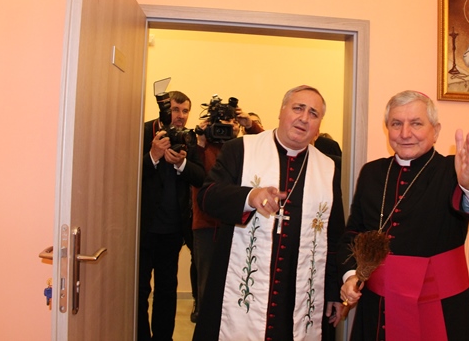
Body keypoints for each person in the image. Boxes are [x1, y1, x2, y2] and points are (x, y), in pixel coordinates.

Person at [338, 90, 469, 341]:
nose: (405, 133)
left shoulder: (453, 171)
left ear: (435, 131)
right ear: (387, 129)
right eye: (396, 124)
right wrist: (350, 275)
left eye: (416, 123)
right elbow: (354, 233)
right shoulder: (372, 172)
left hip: (439, 306)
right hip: (378, 307)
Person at [193, 85, 345, 341]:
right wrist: (249, 197)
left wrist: (333, 290)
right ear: (281, 111)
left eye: (313, 113)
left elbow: (334, 235)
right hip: (238, 282)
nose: (304, 118)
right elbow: (206, 197)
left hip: (297, 288)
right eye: (298, 108)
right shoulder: (240, 149)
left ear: (319, 124)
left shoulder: (328, 168)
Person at [138, 91, 205, 341]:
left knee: (167, 291)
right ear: (166, 109)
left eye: (185, 111)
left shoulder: (188, 137)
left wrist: (181, 165)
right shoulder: (144, 132)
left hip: (174, 230)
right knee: (140, 291)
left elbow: (201, 177)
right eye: (176, 109)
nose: (181, 116)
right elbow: (126, 174)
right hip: (143, 229)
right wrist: (153, 156)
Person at [190, 107, 263, 325]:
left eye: (232, 122)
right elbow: (195, 175)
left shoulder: (243, 148)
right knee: (206, 284)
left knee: (237, 282)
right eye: (221, 123)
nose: (225, 128)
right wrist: (200, 141)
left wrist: (251, 125)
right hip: (205, 224)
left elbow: (270, 151)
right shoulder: (203, 147)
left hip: (238, 225)